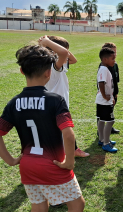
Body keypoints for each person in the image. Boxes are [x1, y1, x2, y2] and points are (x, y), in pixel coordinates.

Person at [0, 45, 85, 211]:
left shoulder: (14, 103)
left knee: (38, 205)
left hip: (28, 166)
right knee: (77, 203)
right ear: (48, 72)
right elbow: (68, 135)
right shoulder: (56, 100)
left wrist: (10, 160)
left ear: (22, 71)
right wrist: (69, 161)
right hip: (53, 165)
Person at [39, 35, 89, 158]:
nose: (67, 54)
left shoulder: (56, 64)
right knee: (62, 131)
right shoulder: (53, 66)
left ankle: (73, 150)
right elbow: (64, 53)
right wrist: (48, 43)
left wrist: (49, 45)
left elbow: (73, 59)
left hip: (58, 103)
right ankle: (66, 153)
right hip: (56, 106)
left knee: (62, 129)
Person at [96, 47, 117, 153]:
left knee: (102, 119)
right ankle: (106, 143)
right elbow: (101, 83)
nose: (114, 61)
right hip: (104, 100)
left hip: (101, 99)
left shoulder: (104, 68)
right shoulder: (104, 69)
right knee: (110, 121)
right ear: (105, 59)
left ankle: (101, 139)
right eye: (113, 58)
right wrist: (105, 96)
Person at [100, 42, 120, 135]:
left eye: (115, 52)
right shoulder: (103, 67)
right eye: (113, 52)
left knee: (110, 111)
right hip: (106, 95)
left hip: (113, 93)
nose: (115, 54)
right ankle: (100, 131)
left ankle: (109, 128)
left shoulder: (114, 65)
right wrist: (105, 94)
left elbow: (116, 80)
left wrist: (115, 93)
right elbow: (101, 83)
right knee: (103, 112)